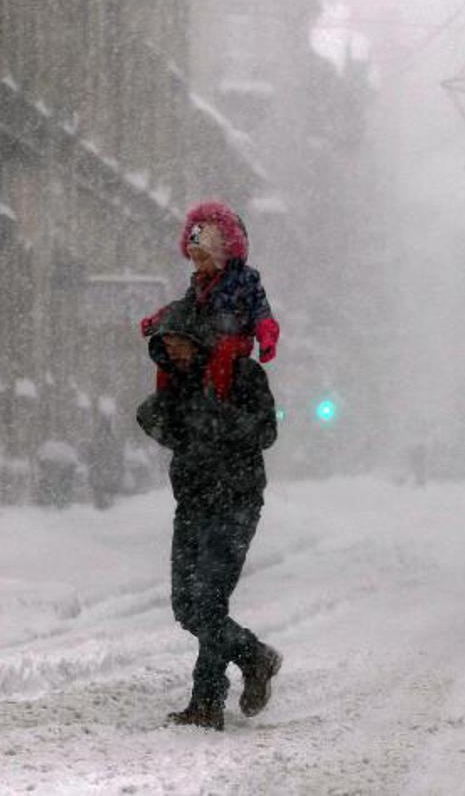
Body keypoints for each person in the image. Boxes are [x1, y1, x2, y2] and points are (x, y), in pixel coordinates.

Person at [136, 306, 280, 731]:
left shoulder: (243, 374)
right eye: (165, 344)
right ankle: (255, 657)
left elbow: (266, 432)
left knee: (209, 603)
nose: (173, 350)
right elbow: (175, 432)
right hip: (193, 502)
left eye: (178, 341)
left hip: (235, 501)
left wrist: (219, 420)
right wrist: (159, 422)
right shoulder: (176, 383)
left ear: (198, 338)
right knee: (187, 606)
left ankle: (207, 703)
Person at [140, 201, 280, 401]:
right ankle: (166, 400)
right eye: (195, 259)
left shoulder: (245, 280)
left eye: (203, 258)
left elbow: (261, 311)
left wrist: (266, 337)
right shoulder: (200, 283)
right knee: (170, 352)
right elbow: (184, 306)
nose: (198, 266)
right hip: (204, 339)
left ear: (221, 255)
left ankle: (216, 400)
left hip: (235, 339)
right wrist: (158, 320)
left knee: (223, 354)